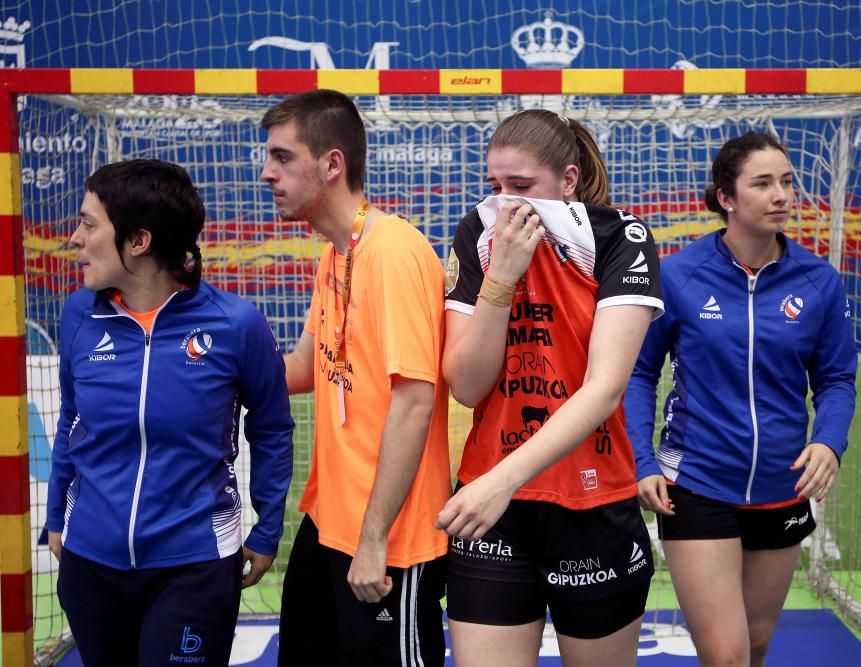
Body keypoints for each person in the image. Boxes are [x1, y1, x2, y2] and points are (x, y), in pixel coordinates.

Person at [435, 109, 663, 667]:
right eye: (495, 186)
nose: (507, 203)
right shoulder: (479, 235)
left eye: (522, 187)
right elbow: (466, 384)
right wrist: (501, 279)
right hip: (491, 512)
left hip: (589, 502)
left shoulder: (621, 237)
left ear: (567, 181)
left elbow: (604, 390)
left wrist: (501, 482)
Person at [46, 159, 294, 667]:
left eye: (90, 224)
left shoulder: (235, 324)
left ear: (138, 241)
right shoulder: (78, 314)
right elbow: (71, 421)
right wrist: (56, 519)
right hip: (89, 563)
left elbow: (270, 428)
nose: (74, 238)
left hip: (195, 565)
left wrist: (267, 528)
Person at [624, 131, 858, 666]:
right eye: (763, 183)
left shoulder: (818, 280)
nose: (781, 195)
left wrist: (829, 442)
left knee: (754, 646)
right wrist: (641, 460)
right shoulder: (679, 275)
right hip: (698, 483)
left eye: (787, 182)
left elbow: (837, 379)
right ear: (726, 198)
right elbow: (638, 374)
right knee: (725, 656)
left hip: (783, 482)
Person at [261, 89, 452, 667]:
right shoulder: (336, 253)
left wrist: (373, 540)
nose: (267, 173)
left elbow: (415, 402)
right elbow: (304, 368)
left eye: (282, 157)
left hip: (389, 541)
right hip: (329, 527)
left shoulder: (392, 252)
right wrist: (204, 360)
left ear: (332, 164)